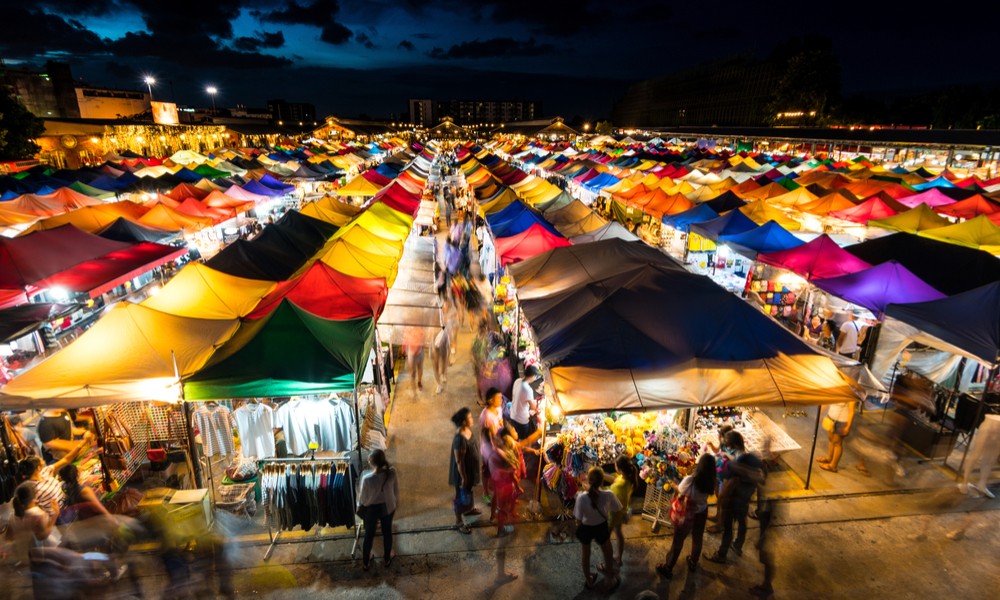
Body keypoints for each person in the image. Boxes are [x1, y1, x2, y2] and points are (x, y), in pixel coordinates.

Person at [705, 431, 763, 564]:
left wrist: (724, 499)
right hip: (744, 501)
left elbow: (729, 485)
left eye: (727, 444)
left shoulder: (737, 465)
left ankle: (721, 554)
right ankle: (737, 546)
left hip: (733, 502)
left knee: (728, 528)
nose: (726, 446)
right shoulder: (751, 464)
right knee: (742, 523)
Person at [657, 453, 716, 579]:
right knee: (697, 538)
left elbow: (680, 489)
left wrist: (673, 482)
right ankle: (693, 563)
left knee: (678, 541)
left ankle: (668, 567)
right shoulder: (712, 481)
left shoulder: (690, 480)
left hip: (687, 513)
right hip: (702, 512)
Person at [574, 467, 621, 591]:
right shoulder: (609, 495)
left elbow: (578, 521)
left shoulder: (581, 498)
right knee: (608, 552)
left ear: (588, 480)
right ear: (602, 481)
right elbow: (618, 509)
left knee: (585, 554)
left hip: (586, 528)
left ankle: (589, 581)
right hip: (601, 527)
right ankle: (610, 580)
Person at [18, 442, 87, 520]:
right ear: (37, 468)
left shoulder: (44, 472)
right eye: (41, 461)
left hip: (68, 505)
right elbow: (33, 511)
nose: (43, 462)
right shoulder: (30, 488)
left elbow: (65, 460)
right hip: (59, 517)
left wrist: (81, 444)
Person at [357, 450, 398, 571]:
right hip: (388, 507)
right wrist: (395, 503)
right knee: (387, 533)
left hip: (372, 510)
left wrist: (361, 506)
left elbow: (362, 499)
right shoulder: (392, 472)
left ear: (372, 463)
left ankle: (366, 562)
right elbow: (396, 490)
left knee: (369, 535)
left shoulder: (367, 478)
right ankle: (387, 558)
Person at [449, 408, 482, 534]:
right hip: (462, 473)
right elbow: (459, 461)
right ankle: (458, 522)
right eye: (469, 418)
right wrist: (463, 477)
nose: (472, 419)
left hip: (469, 469)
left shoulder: (467, 431)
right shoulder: (459, 439)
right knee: (460, 496)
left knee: (468, 491)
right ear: (463, 422)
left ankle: (468, 510)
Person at [606, 454, 638, 566]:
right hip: (621, 511)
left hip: (613, 515)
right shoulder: (628, 478)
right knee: (619, 533)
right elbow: (615, 479)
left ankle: (607, 564)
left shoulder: (619, 486)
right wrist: (602, 475)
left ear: (619, 469)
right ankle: (618, 558)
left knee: (605, 540)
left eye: (615, 465)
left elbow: (608, 495)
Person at [817, 402, 857, 473]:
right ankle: (829, 458)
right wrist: (820, 413)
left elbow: (851, 411)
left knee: (837, 443)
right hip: (830, 418)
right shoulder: (835, 390)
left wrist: (848, 427)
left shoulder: (850, 393)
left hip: (842, 422)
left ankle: (833, 466)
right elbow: (826, 401)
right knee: (831, 440)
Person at [509, 366, 540, 442]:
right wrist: (535, 403)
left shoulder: (517, 381)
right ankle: (521, 452)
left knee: (515, 436)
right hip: (521, 420)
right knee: (522, 440)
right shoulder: (528, 389)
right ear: (533, 376)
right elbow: (533, 407)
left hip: (513, 415)